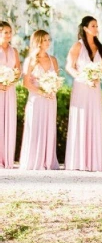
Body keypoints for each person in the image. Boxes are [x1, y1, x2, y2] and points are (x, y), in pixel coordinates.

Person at [65, 16, 102, 172]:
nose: (96, 28)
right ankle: (78, 161)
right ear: (85, 28)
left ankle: (93, 162)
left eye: (97, 25)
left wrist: (97, 77)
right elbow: (70, 67)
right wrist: (83, 78)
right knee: (81, 119)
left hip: (95, 88)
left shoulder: (100, 47)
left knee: (94, 119)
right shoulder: (78, 46)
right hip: (81, 88)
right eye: (93, 25)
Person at [20, 30, 60, 171]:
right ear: (38, 42)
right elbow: (26, 83)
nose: (48, 42)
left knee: (49, 127)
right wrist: (42, 92)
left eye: (49, 39)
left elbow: (57, 80)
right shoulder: (30, 60)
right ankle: (33, 161)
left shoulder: (53, 60)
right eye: (44, 40)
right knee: (35, 127)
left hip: (50, 99)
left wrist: (52, 89)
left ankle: (48, 161)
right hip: (36, 99)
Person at [0, 21, 21, 169]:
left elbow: (18, 70)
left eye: (10, 32)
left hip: (10, 89)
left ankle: (7, 158)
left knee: (8, 120)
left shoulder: (14, 51)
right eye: (5, 32)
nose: (8, 35)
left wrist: (11, 80)